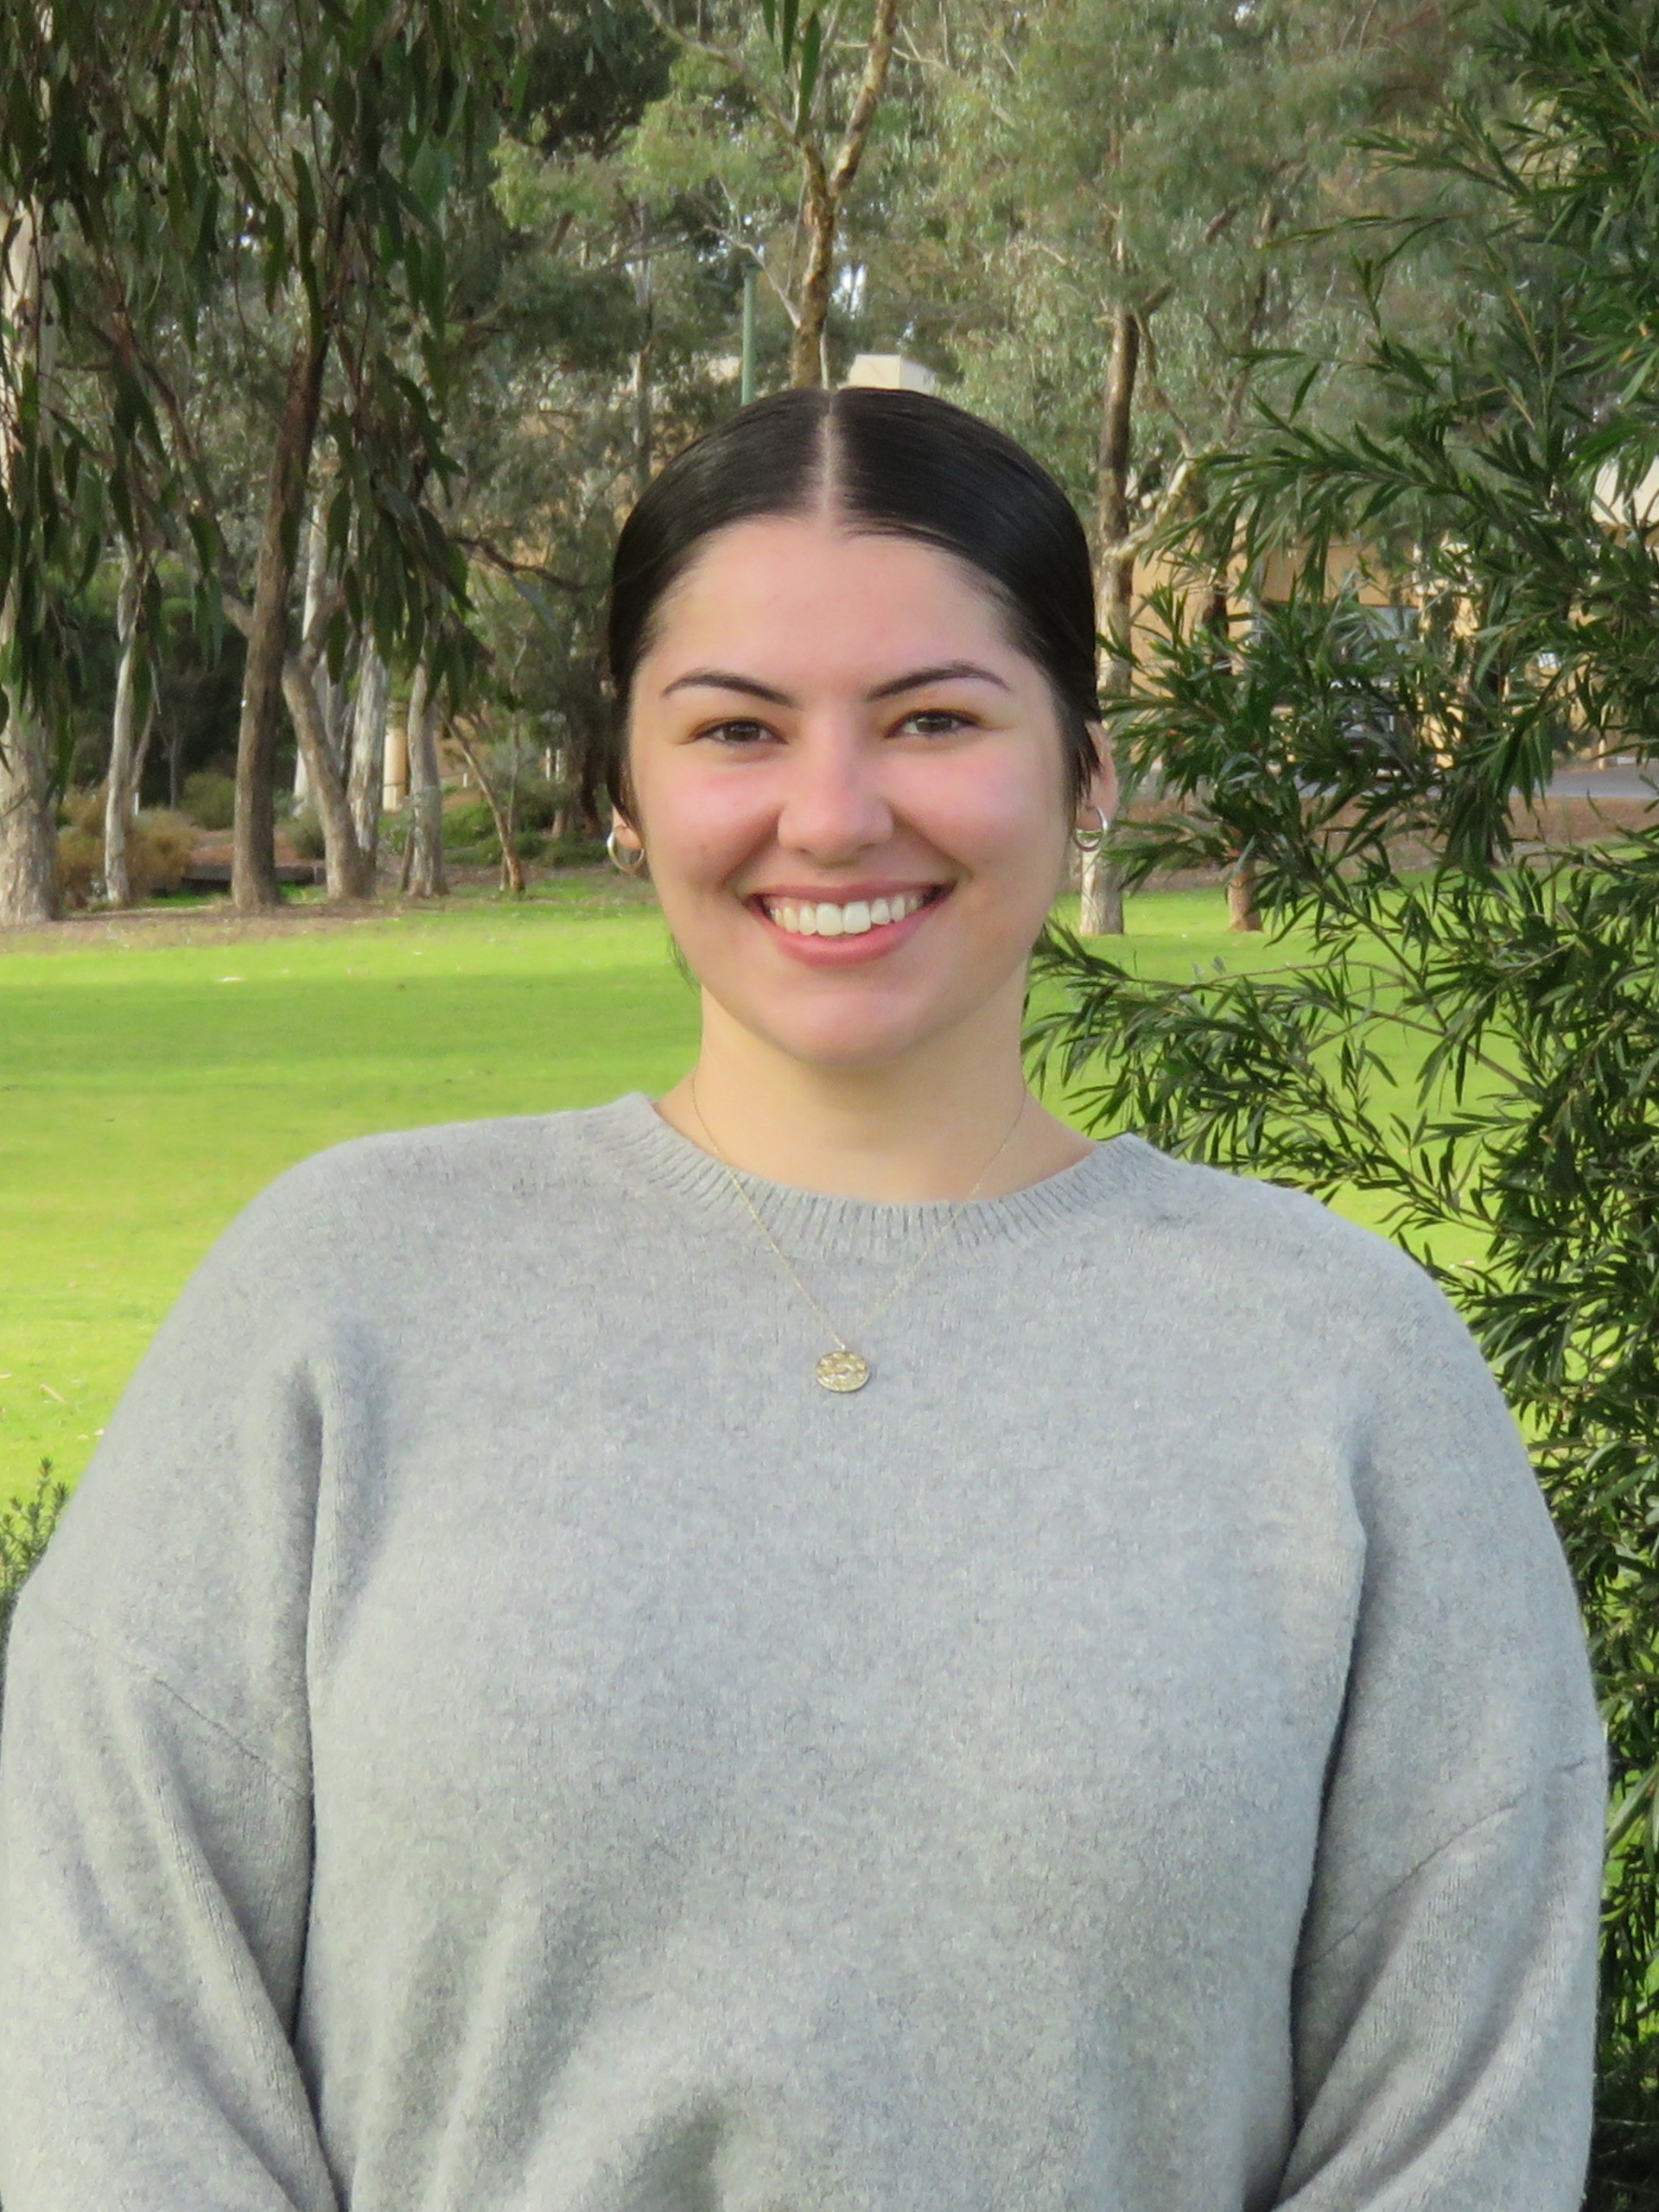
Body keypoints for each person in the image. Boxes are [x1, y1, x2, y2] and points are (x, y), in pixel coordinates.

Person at [0, 387, 1605, 2212]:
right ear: (628, 787)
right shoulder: (339, 1299)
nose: (834, 815)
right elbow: (103, 1998)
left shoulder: (1348, 1368)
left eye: (933, 717)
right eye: (738, 728)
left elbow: (1458, 2110)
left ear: (1086, 770)